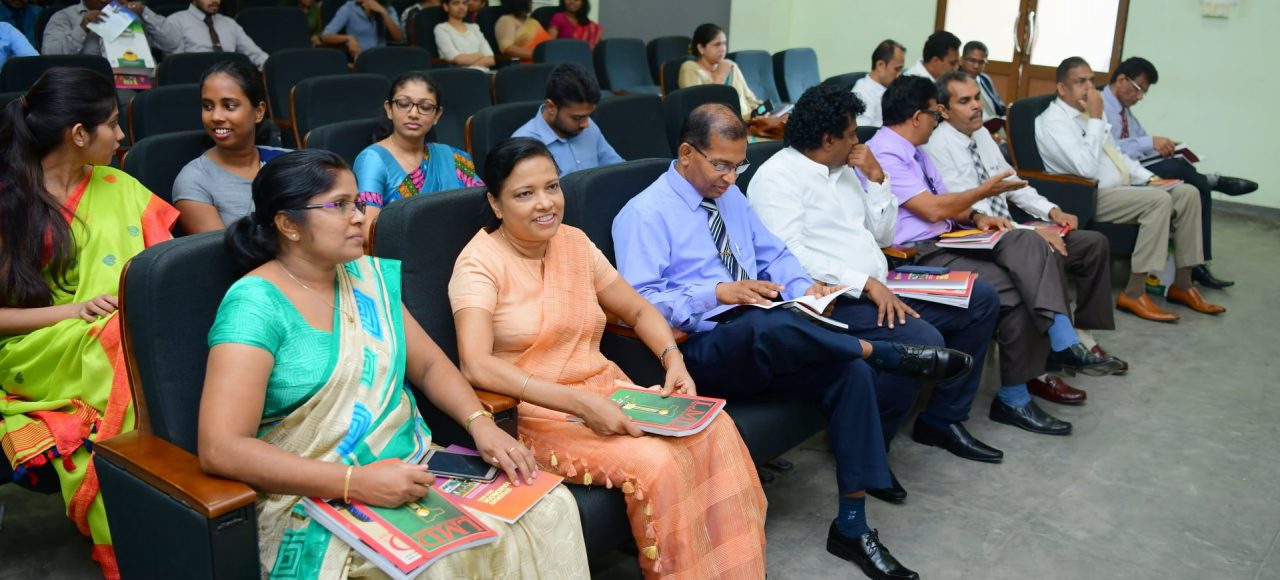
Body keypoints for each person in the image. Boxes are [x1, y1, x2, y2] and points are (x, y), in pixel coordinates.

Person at [614, 103, 978, 580]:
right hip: (701, 349)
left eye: (738, 165)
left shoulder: (730, 197)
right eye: (721, 165)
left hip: (768, 330)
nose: (731, 178)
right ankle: (885, 354)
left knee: (849, 372)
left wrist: (804, 289)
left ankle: (852, 526)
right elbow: (639, 304)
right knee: (768, 327)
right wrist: (716, 292)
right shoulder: (644, 214)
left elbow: (776, 254)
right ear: (686, 153)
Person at [199, 149, 590, 578]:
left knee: (549, 505)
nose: (359, 217)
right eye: (339, 205)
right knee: (445, 561)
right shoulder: (253, 306)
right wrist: (354, 483)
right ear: (288, 224)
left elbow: (430, 366)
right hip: (309, 494)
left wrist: (480, 424)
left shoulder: (364, 276)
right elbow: (222, 448)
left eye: (357, 202)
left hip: (409, 464)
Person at [451, 137, 767, 578]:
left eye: (552, 187)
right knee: (659, 463)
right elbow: (475, 364)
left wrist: (673, 360)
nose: (546, 203)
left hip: (606, 391)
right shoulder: (478, 264)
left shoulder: (574, 243)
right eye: (524, 194)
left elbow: (638, 310)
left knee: (716, 429)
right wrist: (578, 403)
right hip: (536, 413)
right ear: (496, 204)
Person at [748, 84, 1004, 504]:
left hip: (882, 284)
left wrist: (878, 178)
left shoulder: (847, 168)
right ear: (827, 139)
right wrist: (864, 283)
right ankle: (868, 449)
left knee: (981, 300)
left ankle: (942, 419)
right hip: (832, 301)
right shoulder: (777, 178)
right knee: (920, 341)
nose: (858, 142)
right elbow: (788, 256)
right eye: (851, 134)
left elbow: (883, 235)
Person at [0, 68, 179, 579]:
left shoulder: (120, 187)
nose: (122, 135)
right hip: (34, 347)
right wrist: (75, 310)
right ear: (79, 134)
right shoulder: (10, 202)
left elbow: (165, 276)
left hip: (113, 334)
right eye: (113, 124)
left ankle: (171, 492)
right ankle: (147, 510)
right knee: (123, 338)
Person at [868, 75, 1117, 438]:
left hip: (949, 238)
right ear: (918, 116)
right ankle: (1021, 386)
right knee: (1018, 285)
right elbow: (933, 209)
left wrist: (976, 215)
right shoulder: (886, 153)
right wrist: (981, 195)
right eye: (936, 114)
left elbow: (947, 204)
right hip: (915, 255)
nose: (937, 121)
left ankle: (1050, 357)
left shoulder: (916, 149)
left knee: (1027, 249)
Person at [923, 70, 1127, 404]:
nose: (977, 106)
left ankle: (1080, 337)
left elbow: (1014, 185)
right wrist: (1031, 232)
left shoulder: (982, 135)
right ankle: (1044, 366)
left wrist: (1051, 211)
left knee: (1092, 244)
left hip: (1011, 231)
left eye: (977, 98)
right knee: (1043, 253)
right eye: (965, 101)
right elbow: (969, 211)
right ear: (943, 111)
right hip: (977, 238)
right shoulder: (938, 146)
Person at [1036, 57, 1225, 321]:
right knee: (1158, 201)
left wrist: (1151, 179)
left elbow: (1119, 156)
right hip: (1086, 195)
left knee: (1187, 193)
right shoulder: (1054, 122)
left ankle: (1183, 284)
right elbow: (1085, 169)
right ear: (1062, 88)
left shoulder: (1089, 114)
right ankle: (1134, 292)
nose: (1089, 88)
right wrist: (1096, 120)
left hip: (1120, 189)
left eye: (1092, 81)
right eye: (1080, 82)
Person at [1102, 56, 1256, 290]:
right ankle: (1211, 180)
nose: (1140, 97)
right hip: (1119, 172)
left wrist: (1164, 146)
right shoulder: (1099, 105)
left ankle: (1197, 265)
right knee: (1179, 170)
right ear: (1121, 79)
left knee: (1194, 188)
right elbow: (1109, 148)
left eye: (1144, 92)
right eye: (1138, 89)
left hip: (1138, 167)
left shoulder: (1125, 112)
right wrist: (1149, 142)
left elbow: (1141, 141)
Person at [354, 71, 483, 234]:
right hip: (400, 248)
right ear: (389, 109)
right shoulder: (372, 160)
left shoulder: (454, 158)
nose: (414, 114)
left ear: (437, 115)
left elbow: (483, 208)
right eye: (403, 104)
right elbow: (369, 232)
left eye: (425, 107)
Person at [173, 61, 289, 234]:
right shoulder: (194, 180)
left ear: (259, 112)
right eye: (208, 106)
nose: (216, 117)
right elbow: (218, 250)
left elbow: (325, 213)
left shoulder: (288, 162)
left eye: (229, 106)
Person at [511, 63, 622, 175]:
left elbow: (617, 170)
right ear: (551, 107)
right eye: (577, 118)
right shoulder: (524, 144)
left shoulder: (589, 126)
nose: (586, 124)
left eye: (588, 115)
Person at [42, 0, 180, 58]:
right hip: (90, 85)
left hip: (141, 80)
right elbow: (50, 55)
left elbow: (173, 43)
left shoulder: (133, 14)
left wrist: (145, 12)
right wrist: (82, 28)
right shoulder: (64, 16)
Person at [167, 0, 269, 68]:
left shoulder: (229, 23)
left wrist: (271, 68)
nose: (215, 0)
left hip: (231, 82)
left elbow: (257, 55)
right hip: (195, 83)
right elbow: (176, 65)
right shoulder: (176, 22)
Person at [320, 0, 402, 58]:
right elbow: (325, 36)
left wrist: (383, 12)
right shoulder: (348, 8)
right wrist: (348, 38)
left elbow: (398, 37)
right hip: (361, 58)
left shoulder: (387, 8)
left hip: (382, 56)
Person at [852, 39, 905, 128]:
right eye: (896, 69)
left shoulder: (891, 87)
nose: (899, 75)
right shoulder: (862, 94)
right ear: (880, 65)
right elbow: (862, 132)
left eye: (901, 70)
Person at [433, 0, 494, 70]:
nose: (461, 7)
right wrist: (480, 55)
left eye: (464, 3)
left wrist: (472, 67)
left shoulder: (474, 27)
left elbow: (491, 59)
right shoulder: (441, 29)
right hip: (459, 74)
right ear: (446, 7)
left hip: (484, 73)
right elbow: (456, 58)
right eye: (456, 3)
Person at [958, 40, 1005, 121]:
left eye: (981, 62)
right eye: (972, 60)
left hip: (997, 122)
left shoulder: (985, 79)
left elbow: (999, 105)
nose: (976, 66)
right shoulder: (954, 83)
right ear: (961, 60)